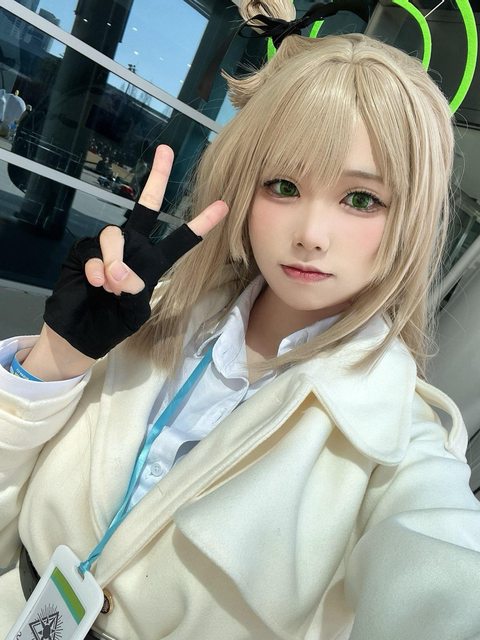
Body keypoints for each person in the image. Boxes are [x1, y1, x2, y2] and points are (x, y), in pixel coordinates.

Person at [1, 1, 480, 638]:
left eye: (361, 198)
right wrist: (55, 360)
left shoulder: (402, 442)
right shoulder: (145, 309)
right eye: (283, 186)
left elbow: (444, 578)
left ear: (409, 221)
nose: (311, 234)